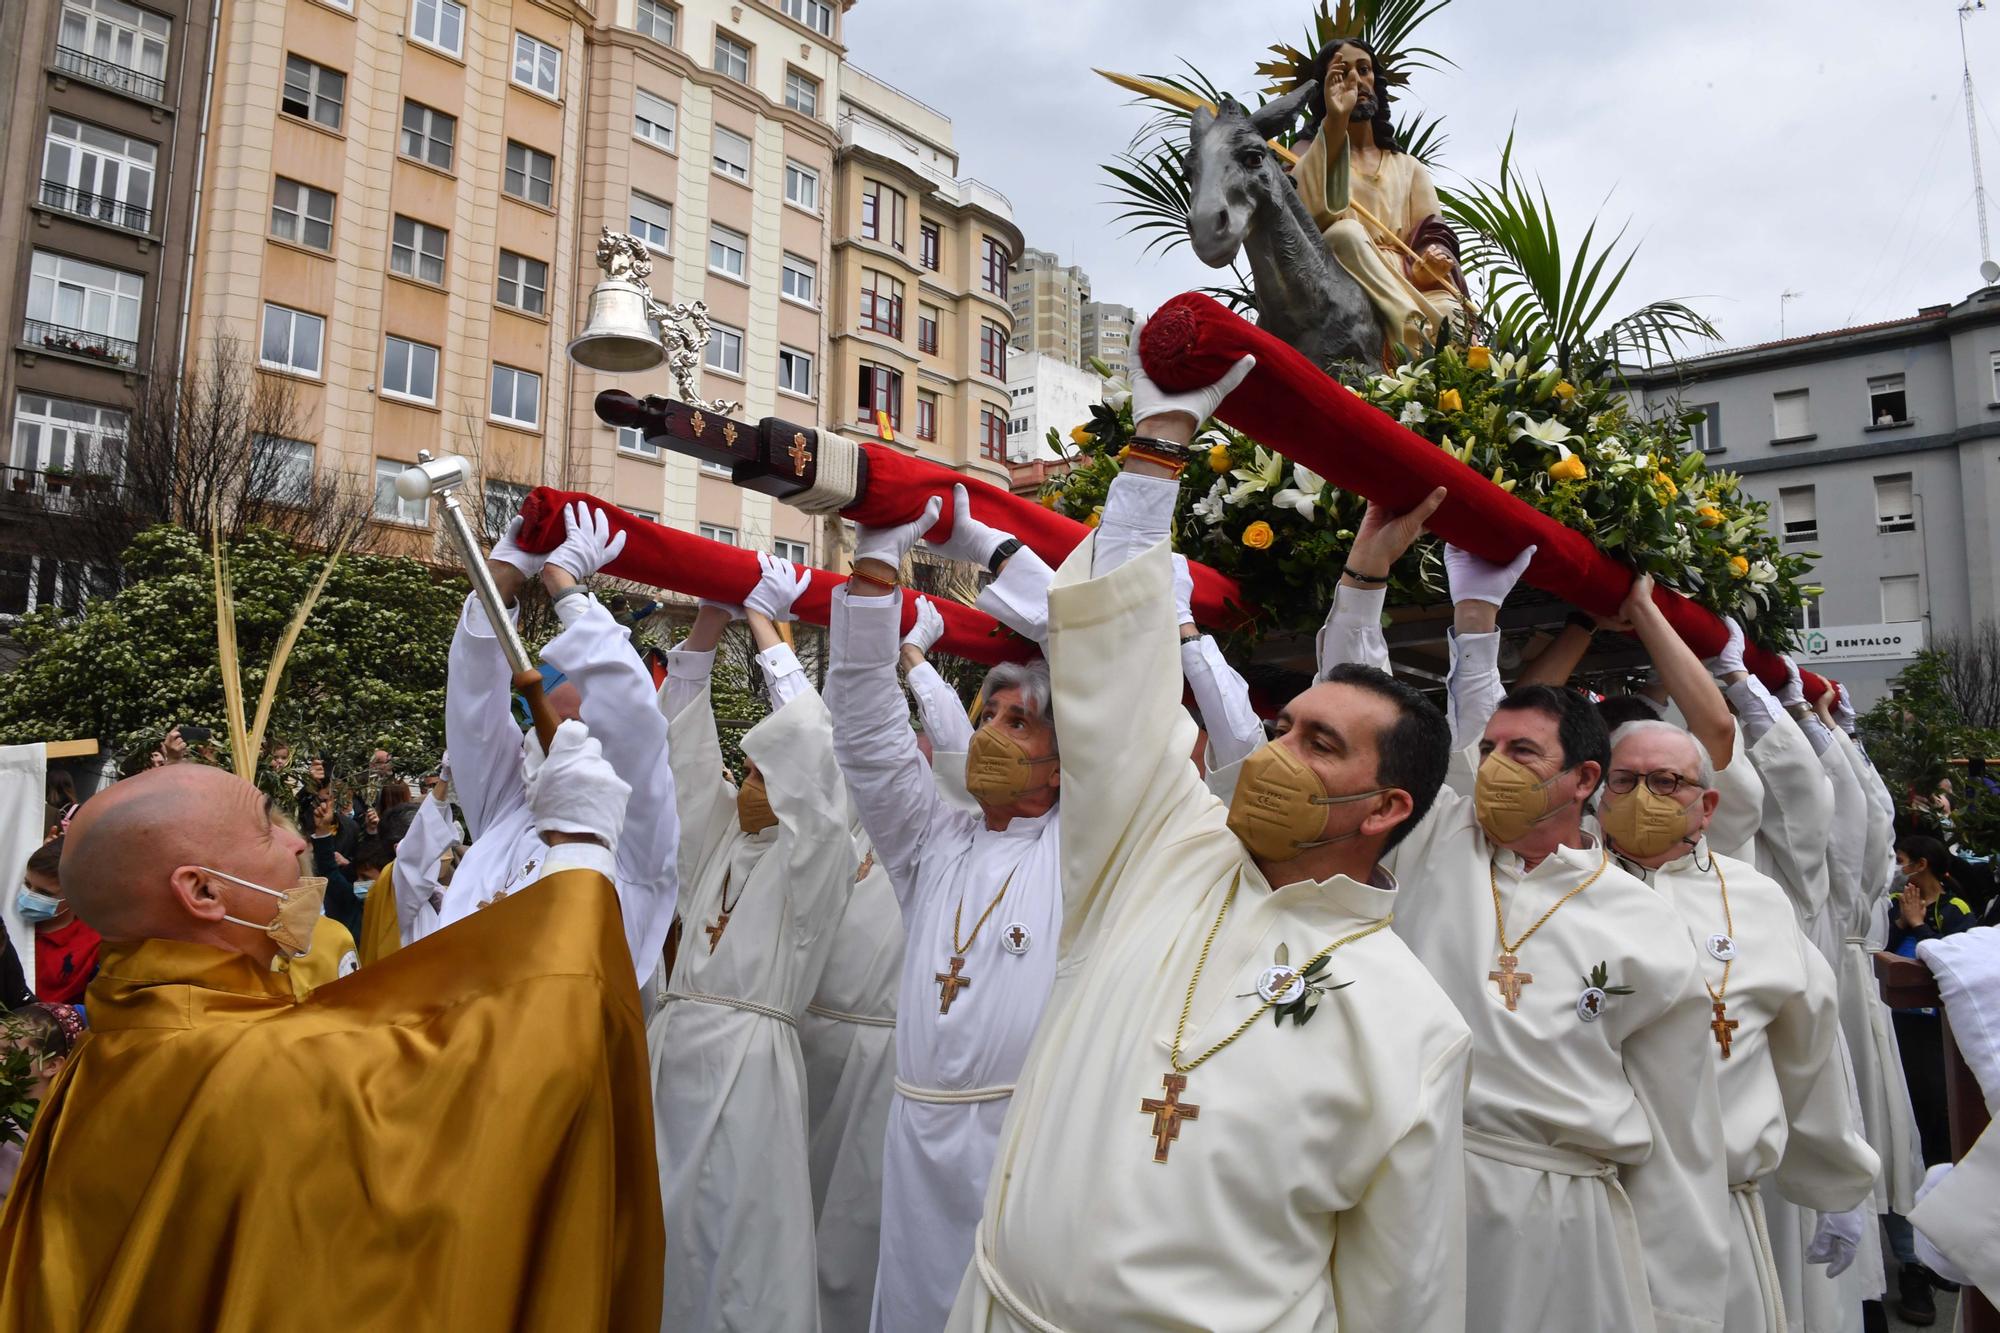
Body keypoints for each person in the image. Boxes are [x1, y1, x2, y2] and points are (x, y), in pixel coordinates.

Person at [948, 358, 1474, 1331]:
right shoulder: (1159, 852)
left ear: (1382, 808)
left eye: (1315, 745)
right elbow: (1113, 670)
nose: (1270, 752)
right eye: (1281, 728)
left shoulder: (1413, 1028)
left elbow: (1401, 1296)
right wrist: (1154, 452)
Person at [0, 724, 666, 1328]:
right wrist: (581, 849)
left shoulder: (112, 1052)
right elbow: (534, 1057)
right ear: (201, 891)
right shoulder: (253, 1068)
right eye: (267, 828)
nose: (297, 841)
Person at [1319, 494, 1730, 1333]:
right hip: (1410, 1186)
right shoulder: (1436, 843)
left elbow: (1683, 1134)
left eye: (1522, 753)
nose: (1495, 765)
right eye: (1490, 750)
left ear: (1584, 779)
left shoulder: (1644, 921)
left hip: (1564, 1220)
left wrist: (1682, 1307)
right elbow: (1357, 717)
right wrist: (1366, 579)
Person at [827, 495, 1069, 1333]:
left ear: (1066, 766)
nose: (993, 733)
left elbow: (1112, 684)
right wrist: (874, 571)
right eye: (988, 714)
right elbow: (863, 730)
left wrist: (990, 546)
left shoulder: (1082, 849)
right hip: (914, 1139)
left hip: (1025, 1146)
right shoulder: (933, 839)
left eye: (1021, 721)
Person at [1596, 702, 1878, 1332]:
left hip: (1717, 1209)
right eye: (1625, 780)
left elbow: (1810, 1046)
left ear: (1708, 806)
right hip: (1593, 1199)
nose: (1644, 796)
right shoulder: (1565, 888)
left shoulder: (1754, 898)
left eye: (1666, 782)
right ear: (1597, 791)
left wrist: (1836, 1180)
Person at [646, 560, 856, 1333]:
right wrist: (708, 625)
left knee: (736, 1246)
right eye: (751, 764)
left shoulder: (816, 862)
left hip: (750, 1065)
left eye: (771, 768)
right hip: (673, 1058)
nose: (753, 778)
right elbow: (685, 763)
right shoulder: (722, 842)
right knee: (666, 1240)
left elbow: (818, 764)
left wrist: (769, 633)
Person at [413, 504, 678, 984]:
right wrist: (496, 584)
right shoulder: (510, 806)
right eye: (547, 722)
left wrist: (567, 587)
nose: (557, 738)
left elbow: (634, 718)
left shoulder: (636, 830)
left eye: (578, 725)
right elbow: (473, 707)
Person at [802, 597, 975, 1333]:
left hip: (891, 1059)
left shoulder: (958, 818)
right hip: (822, 1048)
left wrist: (914, 661)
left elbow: (960, 746)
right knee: (807, 1222)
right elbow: (839, 744)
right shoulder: (877, 809)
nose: (915, 750)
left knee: (860, 1236)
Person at [1281, 37, 1463, 351]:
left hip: (1410, 279)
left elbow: (1432, 230)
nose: (1356, 80)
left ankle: (1426, 341)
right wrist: (1335, 121)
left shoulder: (1408, 167)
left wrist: (1432, 258)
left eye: (1364, 70)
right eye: (1342, 72)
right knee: (1346, 233)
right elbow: (1302, 219)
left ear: (1375, 82)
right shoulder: (1308, 154)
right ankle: (1411, 333)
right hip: (1344, 278)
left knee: (1453, 316)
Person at [1883, 833, 1975, 1323]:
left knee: (1939, 1141)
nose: (1895, 871)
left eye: (1900, 862)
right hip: (1895, 1033)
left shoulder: (1958, 908)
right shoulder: (1894, 904)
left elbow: (1963, 966)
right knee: (1903, 1140)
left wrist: (1923, 928)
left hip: (1938, 1040)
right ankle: (1913, 1263)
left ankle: (1945, 1249)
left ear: (1922, 865)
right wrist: (1902, 923)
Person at [17, 840, 99, 1007]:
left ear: (76, 895)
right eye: (27, 884)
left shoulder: (94, 944)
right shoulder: (12, 922)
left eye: (43, 893)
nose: (28, 896)